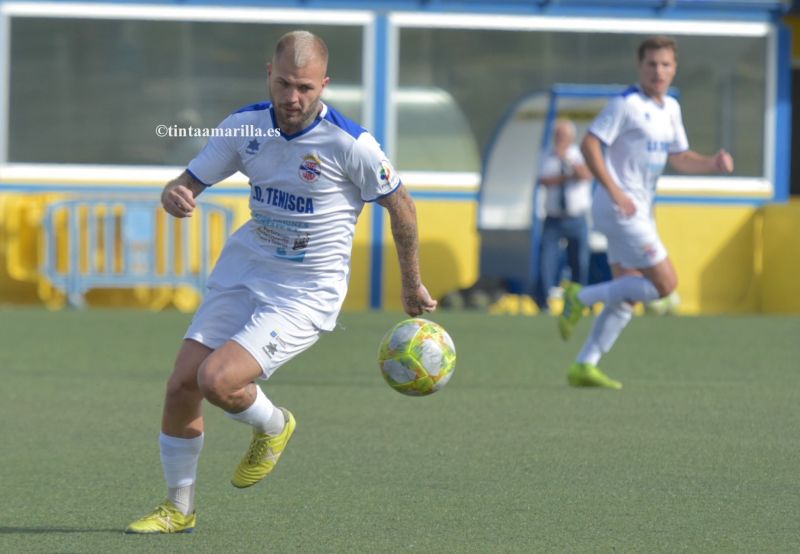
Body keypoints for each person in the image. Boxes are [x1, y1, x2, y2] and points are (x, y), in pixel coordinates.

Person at [126, 30, 437, 534]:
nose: (294, 98)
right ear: (268, 75)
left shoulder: (350, 144)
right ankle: (178, 509)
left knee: (218, 380)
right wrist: (175, 195)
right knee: (182, 384)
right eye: (286, 84)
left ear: (325, 85)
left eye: (307, 88)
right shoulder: (244, 127)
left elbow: (401, 205)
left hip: (304, 292)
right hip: (245, 271)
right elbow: (186, 182)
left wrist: (411, 283)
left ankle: (274, 426)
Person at [559, 36, 733, 389]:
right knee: (665, 286)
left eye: (665, 64)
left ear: (674, 68)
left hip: (637, 211)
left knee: (628, 295)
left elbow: (680, 157)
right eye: (652, 64)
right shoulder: (625, 105)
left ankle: (584, 365)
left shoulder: (671, 109)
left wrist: (713, 163)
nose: (659, 71)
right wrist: (615, 190)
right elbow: (590, 144)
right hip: (620, 208)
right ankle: (581, 296)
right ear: (640, 66)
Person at [537, 118, 593, 311]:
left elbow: (586, 175)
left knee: (579, 260)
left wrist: (568, 160)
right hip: (554, 217)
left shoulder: (578, 154)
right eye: (557, 135)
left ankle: (579, 302)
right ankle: (544, 301)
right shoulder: (547, 155)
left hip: (576, 217)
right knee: (547, 259)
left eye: (563, 136)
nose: (559, 139)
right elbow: (544, 180)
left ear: (571, 137)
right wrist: (567, 177)